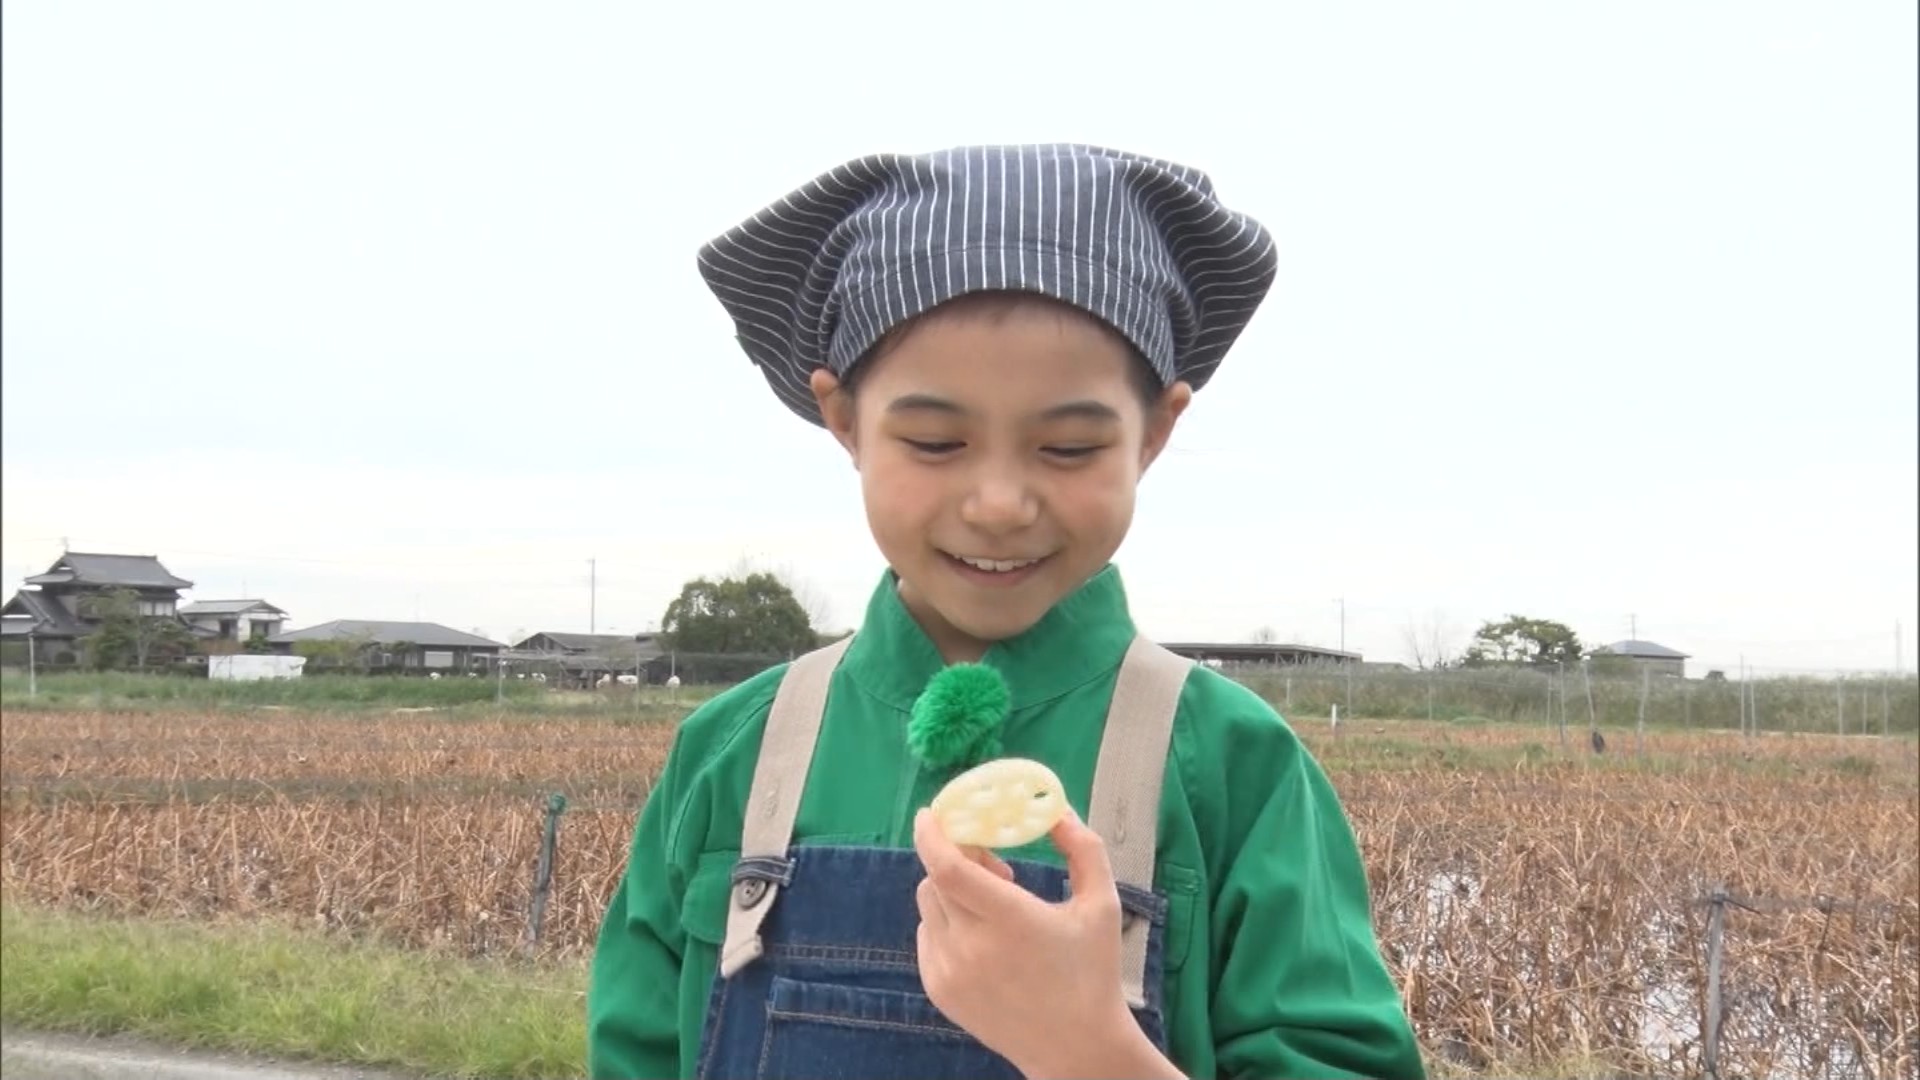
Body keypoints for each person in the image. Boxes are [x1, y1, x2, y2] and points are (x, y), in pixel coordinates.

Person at [587, 144, 1426, 1080]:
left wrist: (1094, 1053)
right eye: (934, 440)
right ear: (844, 419)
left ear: (1155, 432)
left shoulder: (1232, 764)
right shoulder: (732, 753)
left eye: (1067, 448)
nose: (998, 504)